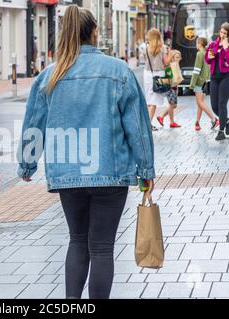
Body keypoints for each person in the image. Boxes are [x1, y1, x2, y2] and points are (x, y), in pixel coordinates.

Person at [18, 5, 155, 299]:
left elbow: (33, 125)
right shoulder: (119, 72)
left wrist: (27, 165)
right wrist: (146, 170)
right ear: (95, 32)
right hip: (111, 174)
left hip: (68, 175)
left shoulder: (48, 77)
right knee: (102, 247)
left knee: (77, 241)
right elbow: (138, 127)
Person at [205, 22, 229, 141]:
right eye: (221, 32)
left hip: (227, 77)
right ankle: (227, 120)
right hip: (215, 76)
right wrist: (209, 58)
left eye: (225, 33)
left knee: (221, 103)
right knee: (214, 105)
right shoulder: (213, 44)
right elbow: (207, 59)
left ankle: (221, 131)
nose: (223, 35)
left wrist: (225, 47)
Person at [144, 28, 179, 130]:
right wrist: (171, 54)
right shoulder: (163, 48)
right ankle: (148, 124)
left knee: (150, 100)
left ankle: (147, 123)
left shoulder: (146, 48)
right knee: (153, 102)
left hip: (147, 74)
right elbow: (167, 62)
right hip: (159, 74)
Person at [189, 37, 219, 131]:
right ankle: (197, 123)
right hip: (206, 81)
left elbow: (196, 70)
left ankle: (214, 119)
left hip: (199, 82)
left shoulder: (199, 54)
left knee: (200, 103)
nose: (196, 45)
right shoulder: (208, 53)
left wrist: (192, 83)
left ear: (200, 44)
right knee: (200, 103)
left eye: (196, 43)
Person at [156, 49, 182, 128]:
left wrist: (176, 88)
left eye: (179, 57)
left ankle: (161, 116)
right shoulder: (170, 66)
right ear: (172, 58)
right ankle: (171, 122)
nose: (178, 59)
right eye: (176, 57)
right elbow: (170, 79)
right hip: (170, 88)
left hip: (173, 88)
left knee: (174, 105)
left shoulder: (176, 65)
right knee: (172, 105)